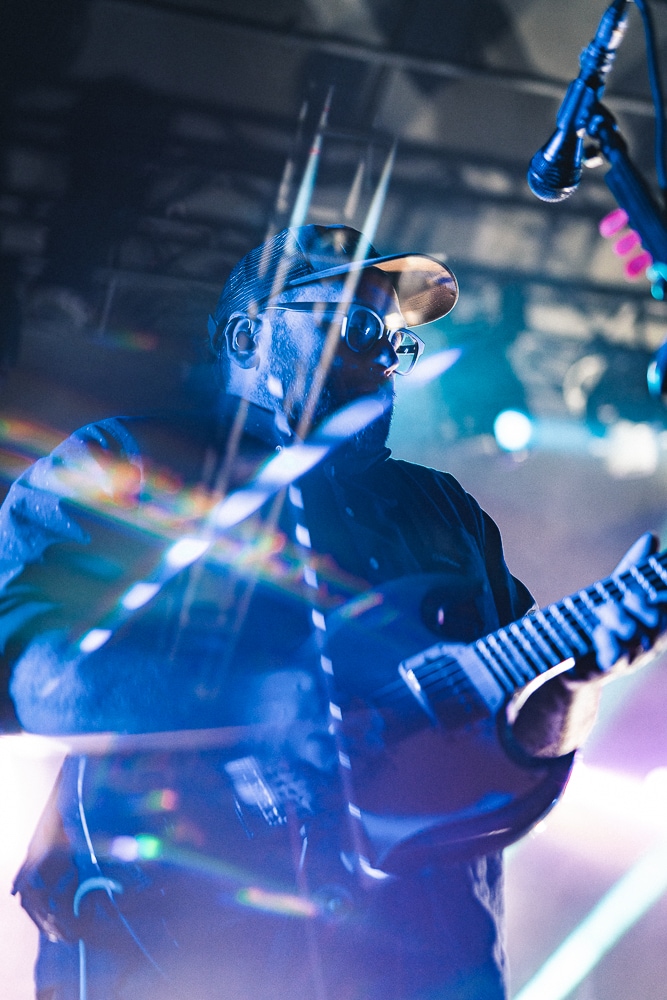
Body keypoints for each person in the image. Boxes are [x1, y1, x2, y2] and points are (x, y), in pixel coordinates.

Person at [1, 224, 665, 1000]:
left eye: (395, 338)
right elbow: (20, 667)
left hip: (424, 957)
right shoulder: (133, 462)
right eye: (356, 324)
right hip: (174, 945)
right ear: (247, 337)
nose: (384, 354)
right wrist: (256, 705)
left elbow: (510, 751)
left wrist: (577, 682)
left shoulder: (444, 512)